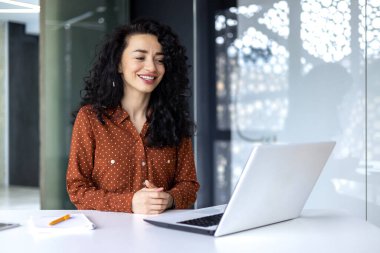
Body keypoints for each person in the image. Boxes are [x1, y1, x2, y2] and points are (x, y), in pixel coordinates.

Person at [66, 18, 200, 214]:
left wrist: (169, 199)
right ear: (119, 64)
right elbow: (77, 188)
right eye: (140, 57)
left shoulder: (175, 120)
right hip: (107, 238)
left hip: (164, 237)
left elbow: (189, 185)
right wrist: (129, 203)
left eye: (160, 60)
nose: (152, 67)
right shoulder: (90, 118)